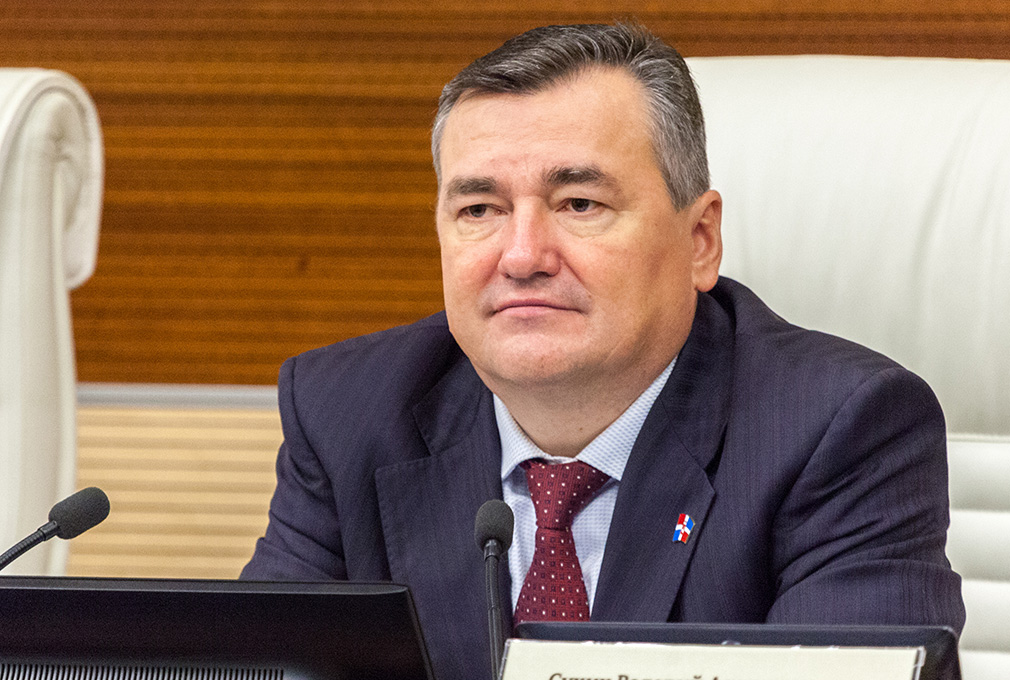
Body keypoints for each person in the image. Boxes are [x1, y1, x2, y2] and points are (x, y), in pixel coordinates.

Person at [242, 22, 965, 680]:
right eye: (480, 209)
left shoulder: (839, 430)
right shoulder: (347, 414)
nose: (521, 256)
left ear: (699, 240)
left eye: (579, 204)